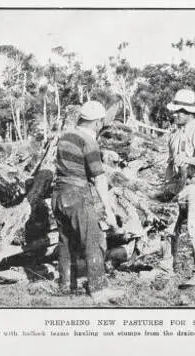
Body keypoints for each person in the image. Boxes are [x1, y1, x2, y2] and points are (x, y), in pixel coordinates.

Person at [52, 100, 122, 302]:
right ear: (98, 123)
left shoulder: (65, 137)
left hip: (58, 194)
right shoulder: (89, 141)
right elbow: (99, 177)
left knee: (66, 241)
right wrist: (108, 210)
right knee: (94, 239)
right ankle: (98, 289)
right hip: (77, 195)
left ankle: (66, 285)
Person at [163, 88, 195, 288]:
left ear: (188, 112)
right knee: (168, 228)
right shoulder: (174, 135)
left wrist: (188, 160)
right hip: (177, 185)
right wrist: (167, 185)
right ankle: (166, 268)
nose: (175, 114)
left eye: (179, 111)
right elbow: (169, 162)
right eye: (175, 111)